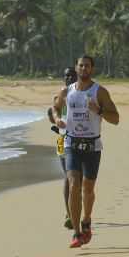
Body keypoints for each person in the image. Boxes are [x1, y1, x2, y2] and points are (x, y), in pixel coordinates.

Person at [52, 55, 120, 248]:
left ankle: (86, 220)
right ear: (76, 68)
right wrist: (57, 119)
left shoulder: (100, 92)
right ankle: (76, 232)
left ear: (92, 69)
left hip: (92, 146)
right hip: (71, 143)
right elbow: (54, 108)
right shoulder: (67, 91)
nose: (83, 69)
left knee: (87, 190)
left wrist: (98, 110)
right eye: (80, 66)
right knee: (73, 184)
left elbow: (115, 118)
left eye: (87, 66)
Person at [47, 67, 77, 230]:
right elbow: (53, 113)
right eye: (66, 76)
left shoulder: (83, 94)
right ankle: (69, 214)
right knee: (68, 176)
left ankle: (75, 211)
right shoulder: (60, 95)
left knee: (79, 178)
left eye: (71, 75)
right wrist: (56, 119)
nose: (68, 78)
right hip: (63, 140)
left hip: (81, 140)